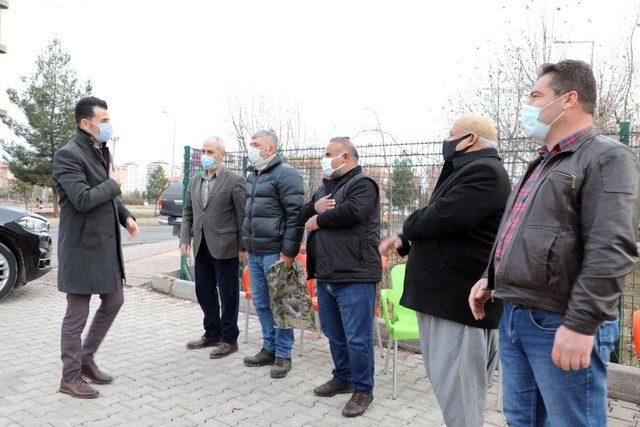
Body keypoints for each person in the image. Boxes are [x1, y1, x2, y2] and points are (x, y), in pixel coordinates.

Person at [469, 60, 640, 426]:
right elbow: (519, 233)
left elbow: (611, 249)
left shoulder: (607, 156)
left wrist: (581, 326)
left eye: (535, 96)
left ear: (568, 100)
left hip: (560, 321)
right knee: (521, 419)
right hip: (517, 315)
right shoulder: (542, 162)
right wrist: (492, 278)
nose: (527, 105)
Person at [379, 116, 511, 426]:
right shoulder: (469, 170)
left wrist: (409, 225)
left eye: (452, 134)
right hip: (447, 301)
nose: (447, 139)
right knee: (452, 391)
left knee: (461, 396)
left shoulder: (484, 172)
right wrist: (408, 238)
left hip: (459, 305)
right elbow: (449, 227)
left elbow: (443, 216)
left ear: (470, 139)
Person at [52, 96, 139, 398]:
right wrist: (113, 185)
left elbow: (109, 197)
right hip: (80, 249)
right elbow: (83, 199)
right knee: (76, 315)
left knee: (114, 301)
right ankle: (70, 376)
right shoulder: (69, 155)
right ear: (85, 123)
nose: (108, 126)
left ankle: (86, 358)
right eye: (103, 121)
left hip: (104, 248)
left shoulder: (100, 151)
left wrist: (125, 217)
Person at [300, 137, 382, 418]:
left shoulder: (363, 183)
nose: (323, 158)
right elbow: (303, 212)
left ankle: (363, 389)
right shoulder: (325, 187)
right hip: (326, 273)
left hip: (355, 274)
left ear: (345, 157)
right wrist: (314, 209)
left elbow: (353, 211)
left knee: (358, 338)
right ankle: (343, 377)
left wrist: (318, 219)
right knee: (334, 333)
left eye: (327, 154)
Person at [241, 130, 304, 378]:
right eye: (251, 144)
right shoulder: (252, 175)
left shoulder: (286, 174)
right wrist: (246, 245)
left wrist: (288, 252)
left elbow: (295, 217)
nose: (251, 148)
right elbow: (249, 214)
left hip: (276, 252)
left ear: (269, 148)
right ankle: (269, 346)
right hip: (255, 252)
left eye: (256, 145)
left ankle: (283, 354)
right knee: (262, 303)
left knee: (283, 304)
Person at [180, 136, 246, 359]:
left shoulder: (234, 180)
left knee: (228, 295)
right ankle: (212, 333)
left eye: (211, 151)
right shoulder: (195, 180)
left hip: (226, 246)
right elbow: (188, 212)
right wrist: (184, 239)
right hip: (201, 246)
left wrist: (242, 246)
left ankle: (229, 339)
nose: (206, 156)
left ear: (222, 155)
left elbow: (242, 216)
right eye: (204, 151)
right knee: (204, 291)